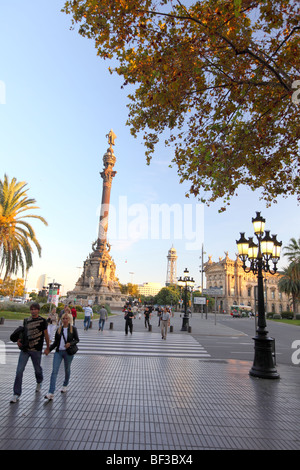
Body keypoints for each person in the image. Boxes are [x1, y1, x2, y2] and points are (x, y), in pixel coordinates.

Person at [10, 302, 50, 403]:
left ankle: (39, 381)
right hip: (25, 349)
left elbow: (46, 335)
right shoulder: (26, 320)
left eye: (35, 309)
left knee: (37, 369)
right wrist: (19, 341)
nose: (33, 311)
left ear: (38, 310)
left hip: (36, 350)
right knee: (19, 370)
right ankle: (16, 393)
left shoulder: (42, 321)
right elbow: (23, 333)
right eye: (31, 309)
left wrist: (48, 347)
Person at [44, 312, 79, 400]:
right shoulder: (59, 329)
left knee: (67, 369)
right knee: (54, 371)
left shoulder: (73, 329)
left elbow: (77, 339)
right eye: (63, 318)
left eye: (66, 318)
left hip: (68, 352)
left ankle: (65, 384)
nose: (65, 320)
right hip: (59, 352)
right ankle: (51, 392)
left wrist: (70, 344)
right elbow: (56, 342)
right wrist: (49, 349)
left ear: (69, 319)